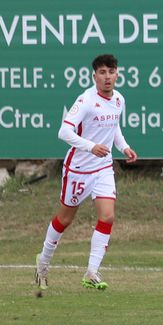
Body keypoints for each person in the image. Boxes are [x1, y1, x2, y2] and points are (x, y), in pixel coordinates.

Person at [35, 53, 137, 291]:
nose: (107, 77)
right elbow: (64, 132)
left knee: (107, 216)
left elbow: (114, 128)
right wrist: (91, 146)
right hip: (79, 169)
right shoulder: (86, 100)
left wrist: (124, 147)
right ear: (95, 76)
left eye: (111, 72)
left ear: (117, 74)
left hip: (103, 167)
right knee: (65, 219)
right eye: (102, 73)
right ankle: (43, 261)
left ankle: (91, 272)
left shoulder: (119, 99)